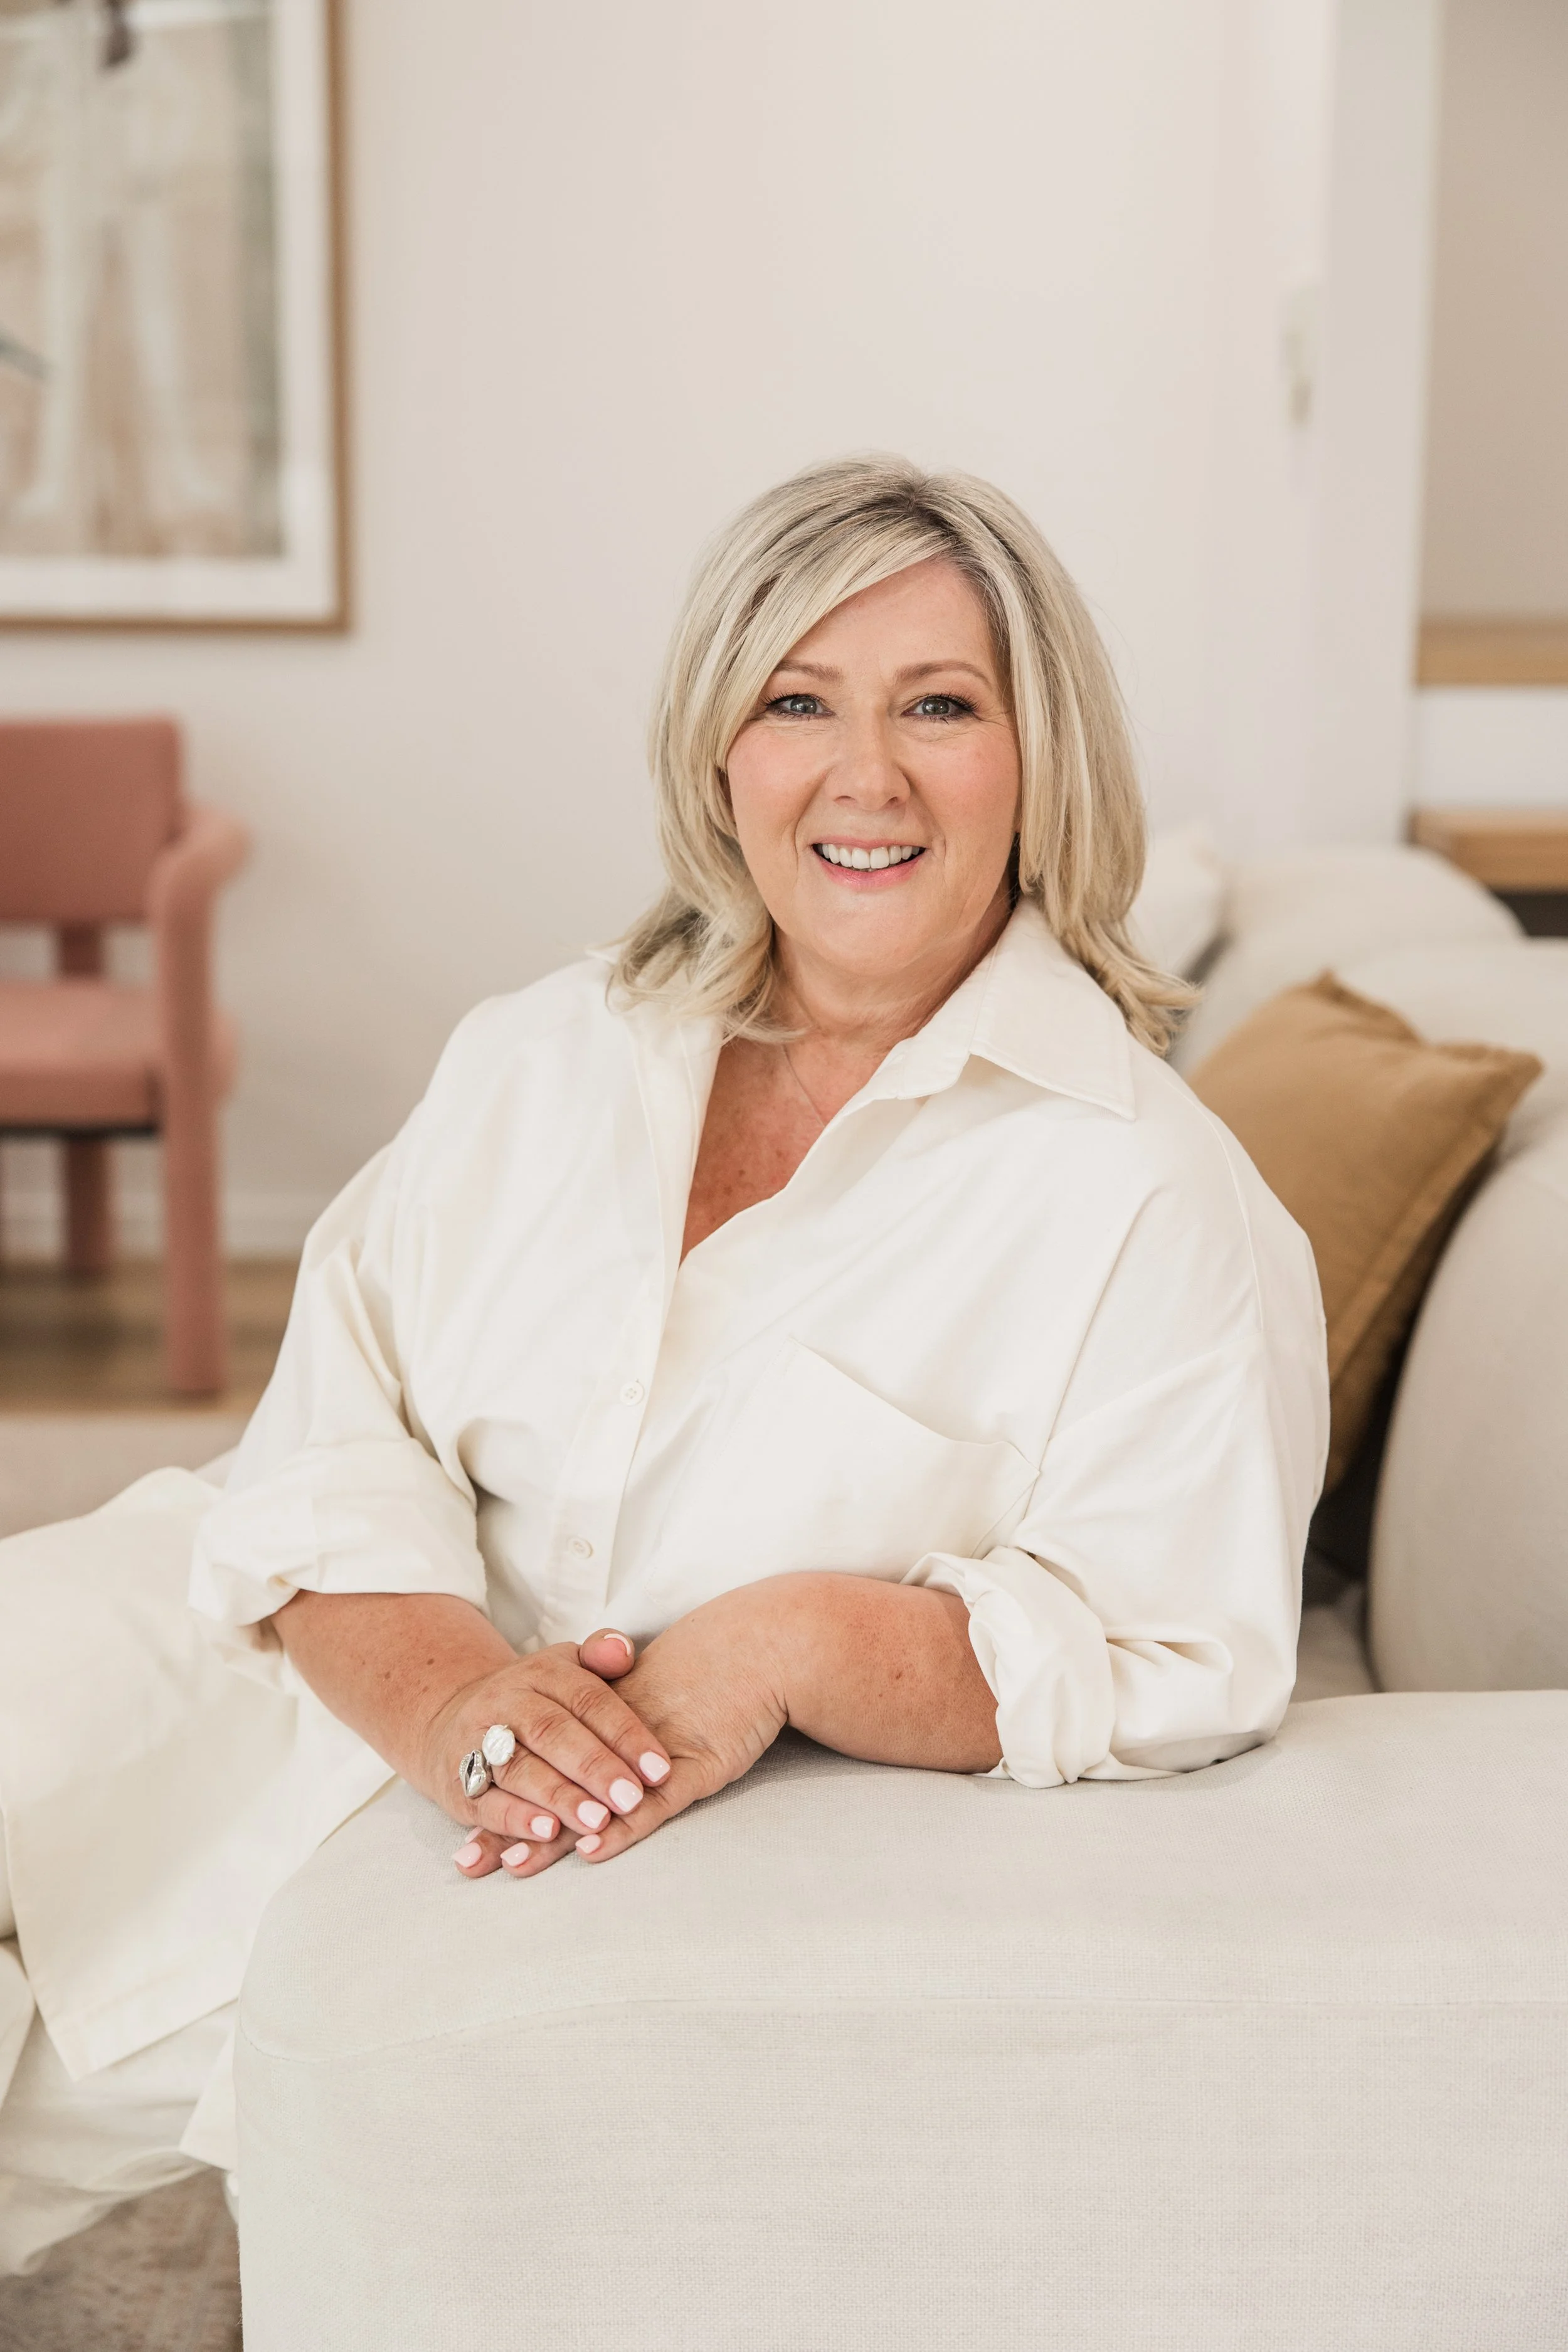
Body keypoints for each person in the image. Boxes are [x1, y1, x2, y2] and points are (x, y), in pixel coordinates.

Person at [0, 454, 1327, 2274]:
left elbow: (1178, 1650)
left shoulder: (1150, 1197)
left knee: (54, 2092)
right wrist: (451, 1695)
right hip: (295, 1670)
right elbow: (331, 1428)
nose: (863, 776)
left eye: (937, 706)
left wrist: (794, 1638)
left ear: (1041, 763)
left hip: (558, 1833)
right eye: (797, 701)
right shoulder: (550, 1047)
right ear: (722, 750)